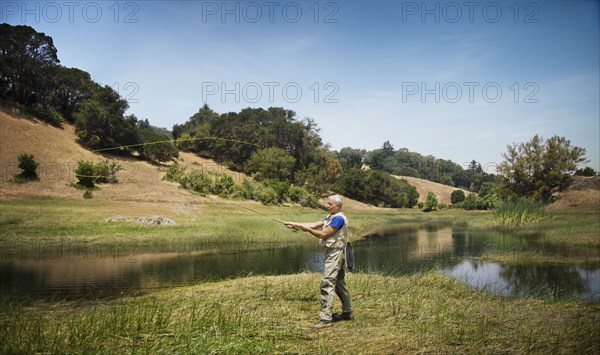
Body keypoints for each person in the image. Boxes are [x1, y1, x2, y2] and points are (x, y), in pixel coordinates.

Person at [285, 194, 353, 328]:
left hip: (336, 253)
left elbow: (324, 234)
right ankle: (347, 312)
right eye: (327, 203)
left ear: (337, 207)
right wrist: (295, 224)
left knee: (327, 283)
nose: (327, 206)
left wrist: (308, 230)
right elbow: (314, 225)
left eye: (330, 204)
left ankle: (325, 319)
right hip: (334, 252)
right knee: (339, 283)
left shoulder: (338, 219)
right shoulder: (331, 217)